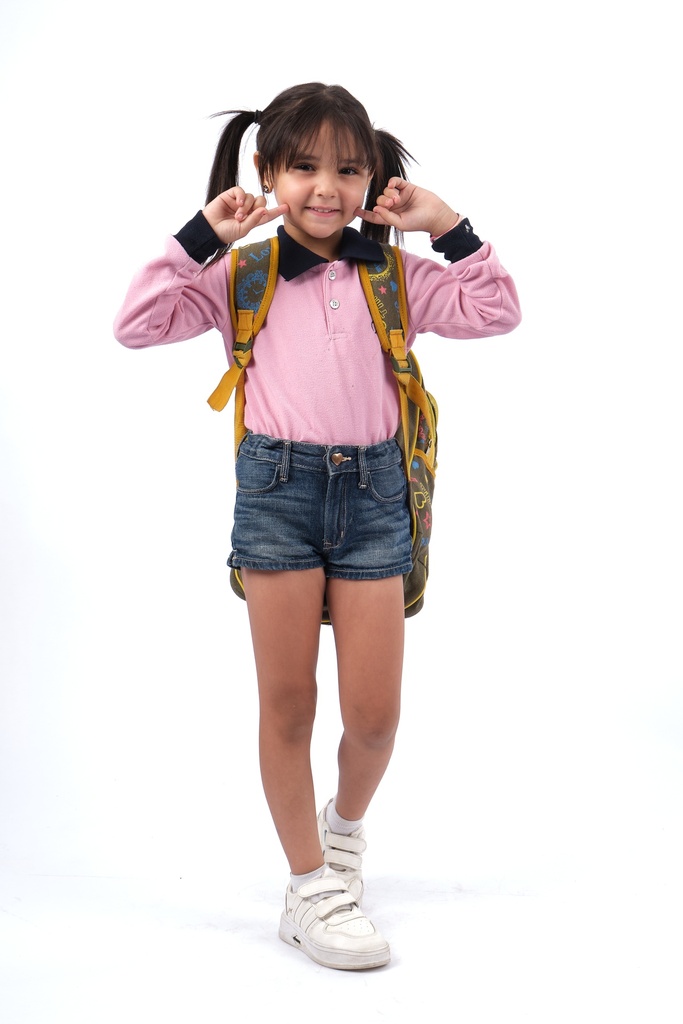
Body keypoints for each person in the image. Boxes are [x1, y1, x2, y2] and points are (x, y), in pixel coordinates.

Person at [114, 82, 521, 970]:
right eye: (302, 167)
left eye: (348, 167)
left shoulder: (398, 275)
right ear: (266, 173)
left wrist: (444, 223)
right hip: (278, 489)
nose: (325, 187)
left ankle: (342, 831)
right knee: (288, 704)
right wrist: (201, 237)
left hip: (376, 495)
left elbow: (496, 309)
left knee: (373, 718)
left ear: (375, 177)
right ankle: (307, 889)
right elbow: (136, 325)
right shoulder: (242, 273)